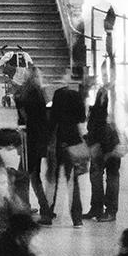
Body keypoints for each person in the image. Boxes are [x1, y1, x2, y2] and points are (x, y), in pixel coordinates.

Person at [13, 64, 52, 220]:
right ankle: (38, 208)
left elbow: (24, 117)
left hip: (29, 140)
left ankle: (38, 209)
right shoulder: (38, 94)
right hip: (37, 140)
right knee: (31, 175)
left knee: (26, 176)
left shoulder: (26, 94)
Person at [49, 77, 88, 225]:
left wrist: (49, 138)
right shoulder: (78, 96)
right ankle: (77, 218)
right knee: (73, 180)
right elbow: (82, 118)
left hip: (60, 139)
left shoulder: (58, 94)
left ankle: (48, 213)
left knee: (54, 178)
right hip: (73, 140)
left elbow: (53, 118)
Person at [84, 83, 123, 224]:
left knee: (110, 177)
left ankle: (109, 210)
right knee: (97, 176)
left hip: (110, 144)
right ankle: (97, 208)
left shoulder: (111, 108)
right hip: (103, 143)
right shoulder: (98, 110)